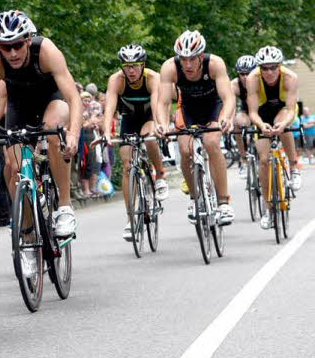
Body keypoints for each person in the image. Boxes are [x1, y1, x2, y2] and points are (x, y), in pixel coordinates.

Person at [0, 10, 82, 275]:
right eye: (6, 46)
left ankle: (63, 204)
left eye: (17, 44)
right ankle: (27, 235)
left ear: (28, 39)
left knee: (53, 132)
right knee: (13, 167)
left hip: (52, 99)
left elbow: (74, 98)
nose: (12, 52)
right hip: (19, 106)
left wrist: (72, 134)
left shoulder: (46, 50)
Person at [155, 30, 235, 225]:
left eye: (192, 59)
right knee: (184, 149)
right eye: (183, 59)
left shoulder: (215, 64)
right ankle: (194, 197)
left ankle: (223, 202)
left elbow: (228, 97)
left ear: (201, 56)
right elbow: (163, 103)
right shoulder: (169, 68)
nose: (188, 64)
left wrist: (225, 118)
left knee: (211, 143)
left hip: (212, 107)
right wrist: (162, 125)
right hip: (188, 108)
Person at [101, 44, 170, 241]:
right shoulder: (116, 80)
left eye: (135, 66)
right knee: (126, 165)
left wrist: (158, 125)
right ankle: (131, 219)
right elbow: (109, 108)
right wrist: (106, 132)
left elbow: (157, 105)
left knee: (149, 138)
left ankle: (160, 175)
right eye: (127, 66)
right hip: (129, 120)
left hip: (149, 117)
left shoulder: (152, 78)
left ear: (143, 65)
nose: (131, 70)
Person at [246, 45, 301, 229]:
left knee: (282, 124)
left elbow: (292, 109)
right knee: (263, 160)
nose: (269, 72)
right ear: (259, 68)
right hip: (262, 114)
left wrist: (283, 124)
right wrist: (261, 126)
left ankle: (293, 167)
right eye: (264, 68)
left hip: (284, 110)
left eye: (273, 67)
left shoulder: (290, 77)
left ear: (280, 66)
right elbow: (252, 112)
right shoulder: (253, 79)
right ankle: (269, 209)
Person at [231, 55, 258, 176]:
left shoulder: (262, 81)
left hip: (262, 111)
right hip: (246, 111)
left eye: (249, 73)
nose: (246, 77)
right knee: (236, 123)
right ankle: (243, 158)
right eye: (242, 74)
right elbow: (230, 104)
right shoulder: (235, 85)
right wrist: (228, 120)